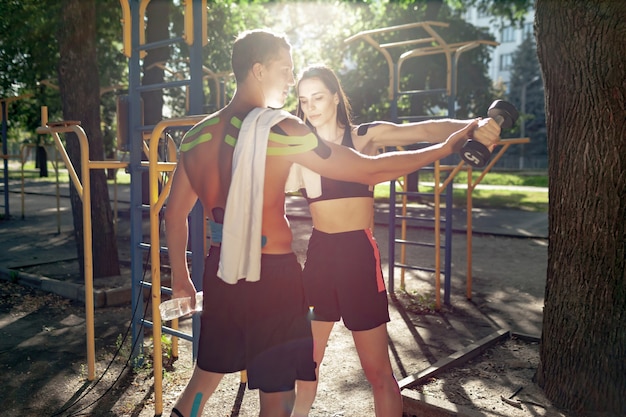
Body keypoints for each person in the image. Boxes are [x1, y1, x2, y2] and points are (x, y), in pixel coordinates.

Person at [164, 30, 499, 417]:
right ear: (258, 70)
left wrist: (182, 278)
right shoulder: (280, 129)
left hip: (220, 271)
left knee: (204, 380)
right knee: (277, 394)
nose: (290, 81)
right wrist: (445, 149)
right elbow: (368, 170)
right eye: (285, 70)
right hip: (271, 276)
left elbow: (174, 215)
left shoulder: (194, 137)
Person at [292, 65, 501, 417]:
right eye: (303, 100)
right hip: (319, 257)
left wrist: (475, 127)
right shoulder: (300, 149)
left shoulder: (362, 137)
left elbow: (420, 130)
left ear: (335, 97)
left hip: (357, 256)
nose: (310, 107)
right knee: (305, 364)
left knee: (378, 372)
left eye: (318, 98)